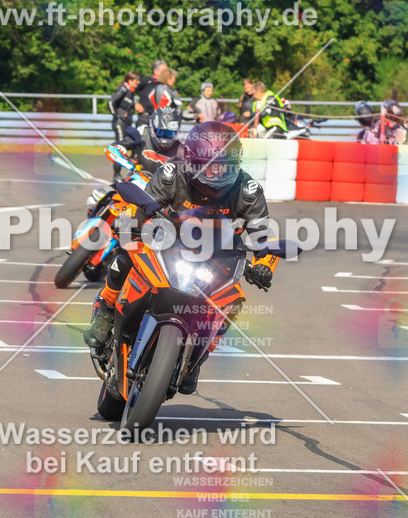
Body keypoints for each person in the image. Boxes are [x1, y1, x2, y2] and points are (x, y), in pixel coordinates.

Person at [84, 121, 280, 394]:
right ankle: (106, 308)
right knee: (127, 250)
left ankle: (199, 356)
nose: (217, 173)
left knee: (233, 301)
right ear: (191, 161)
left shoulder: (248, 190)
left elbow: (266, 238)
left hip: (216, 257)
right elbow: (139, 205)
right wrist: (133, 226)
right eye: (210, 166)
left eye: (224, 166)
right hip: (166, 243)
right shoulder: (171, 175)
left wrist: (263, 265)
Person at [107, 71, 140, 181]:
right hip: (119, 123)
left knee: (134, 144)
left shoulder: (130, 92)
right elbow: (111, 101)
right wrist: (116, 114)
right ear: (130, 81)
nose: (138, 82)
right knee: (119, 148)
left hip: (127, 124)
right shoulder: (123, 89)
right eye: (136, 80)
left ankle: (131, 170)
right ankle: (116, 175)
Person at [133, 60, 168, 132]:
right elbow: (129, 90)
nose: (167, 73)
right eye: (164, 71)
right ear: (155, 71)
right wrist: (135, 103)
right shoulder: (146, 81)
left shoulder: (165, 85)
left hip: (160, 119)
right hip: (145, 118)